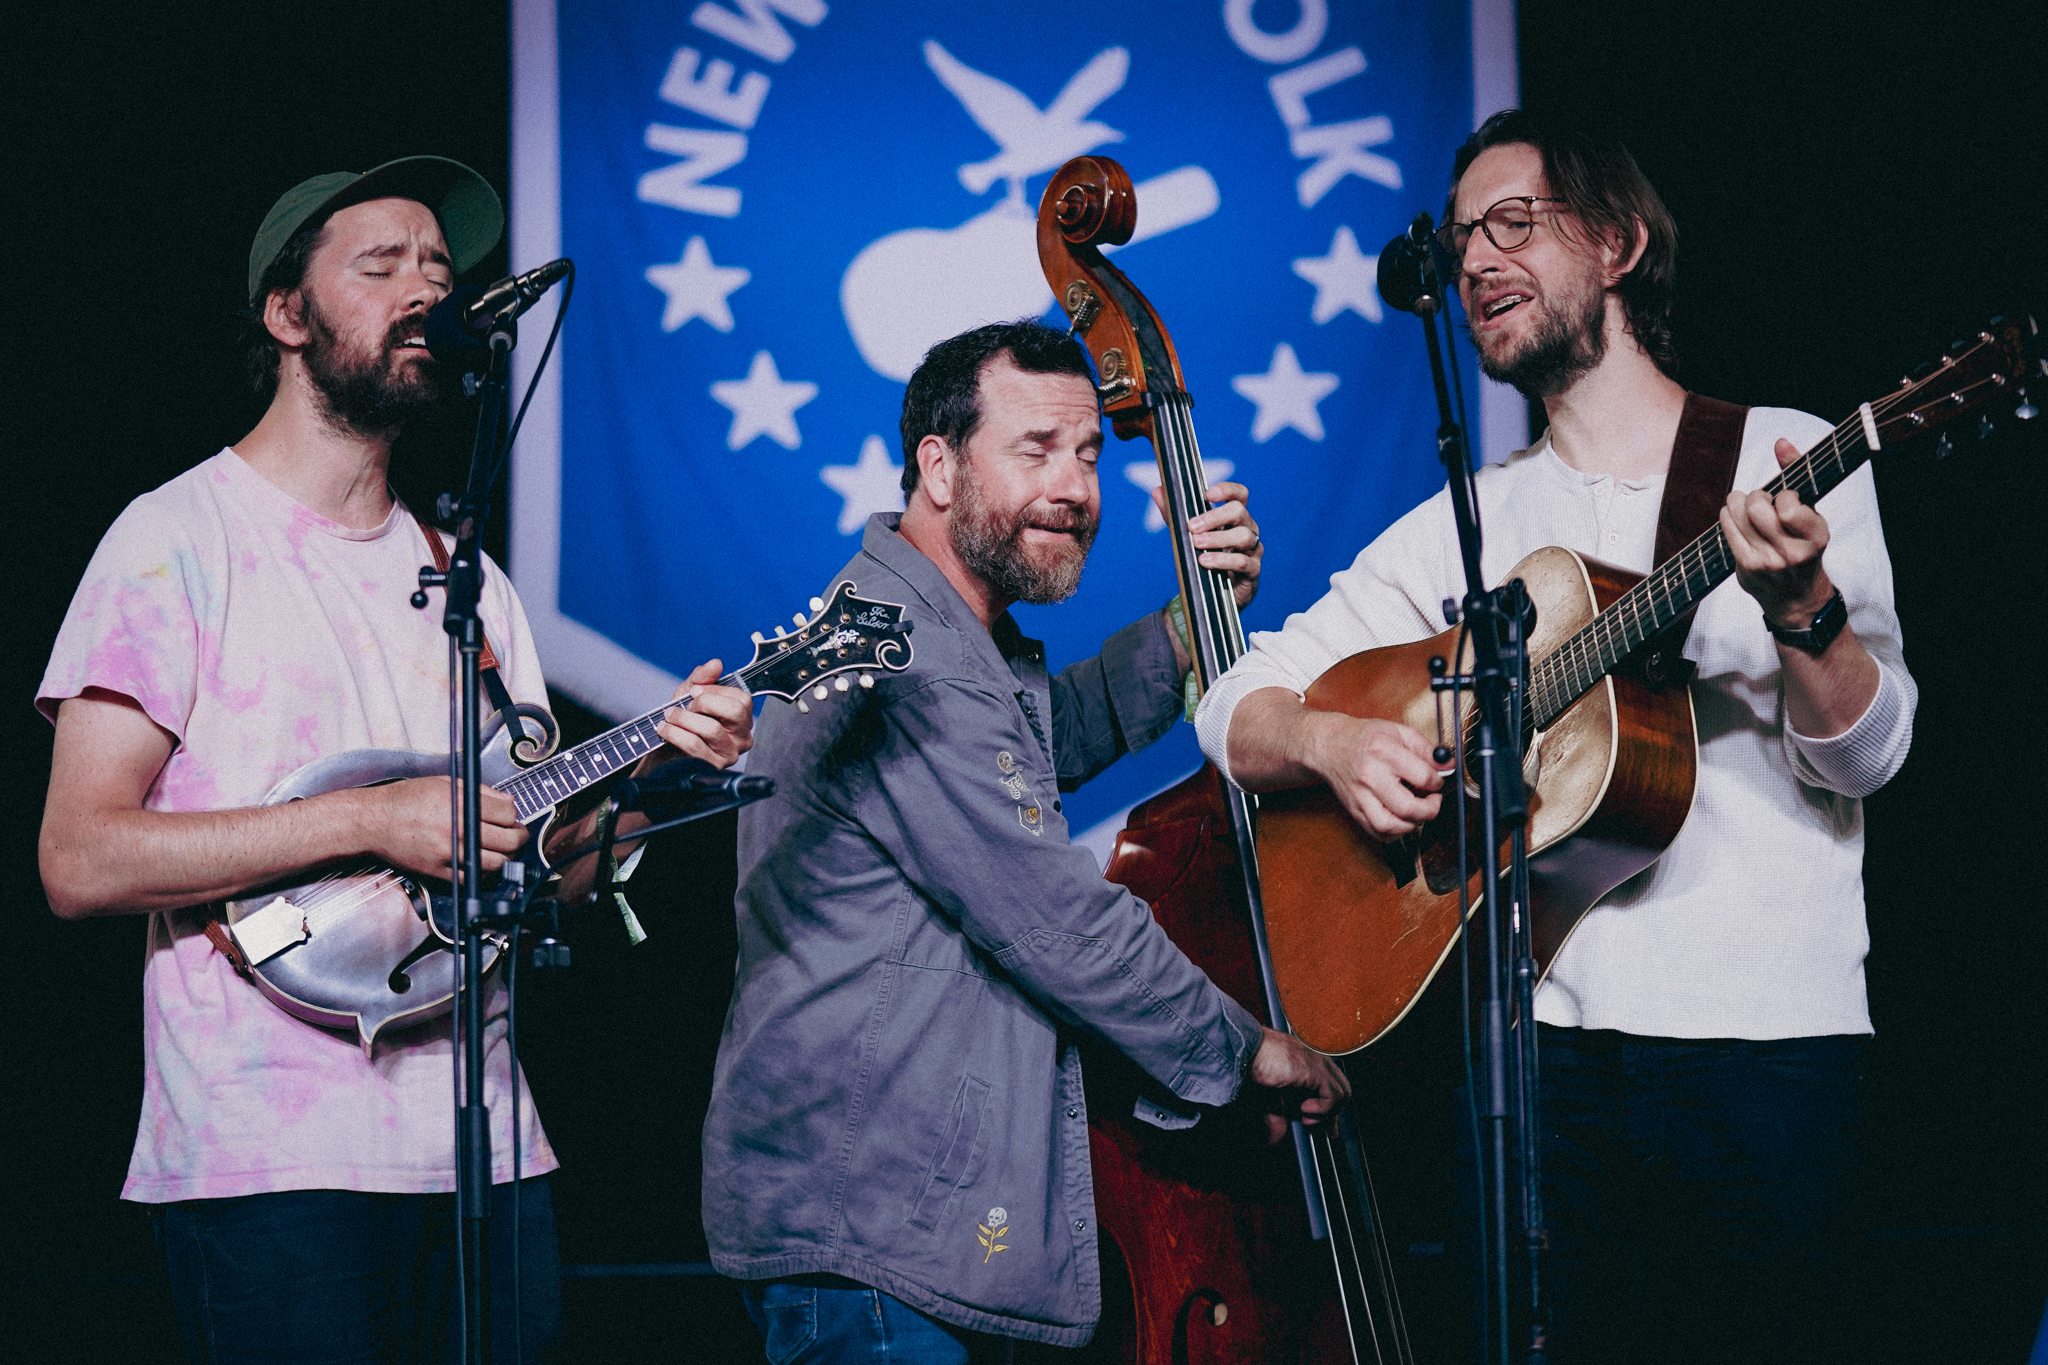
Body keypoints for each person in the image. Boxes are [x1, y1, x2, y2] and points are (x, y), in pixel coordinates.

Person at [1198, 111, 1915, 1363]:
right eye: (1461, 234)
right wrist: (1332, 748)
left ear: (1620, 242)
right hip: (1540, 1074)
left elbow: (1866, 758)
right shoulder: (1467, 527)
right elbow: (1234, 702)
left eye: (1512, 222)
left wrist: (1801, 613)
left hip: (1767, 1057)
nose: (1474, 259)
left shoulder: (1779, 456)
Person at [36, 156, 754, 1364]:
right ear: (287, 315)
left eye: (440, 268)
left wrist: (648, 780)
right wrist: (373, 819)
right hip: (268, 1163)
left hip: (488, 1153)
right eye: (382, 266)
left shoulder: (471, 583)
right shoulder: (176, 539)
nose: (427, 288)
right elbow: (79, 857)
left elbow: (548, 872)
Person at [700, 320, 1350, 1360]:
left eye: (1089, 454)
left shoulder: (951, 635)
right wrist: (1245, 1050)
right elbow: (1052, 914)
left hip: (903, 1227)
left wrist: (1194, 625)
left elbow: (1038, 750)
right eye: (1035, 448)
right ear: (940, 465)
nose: (1075, 487)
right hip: (878, 1235)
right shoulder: (904, 649)